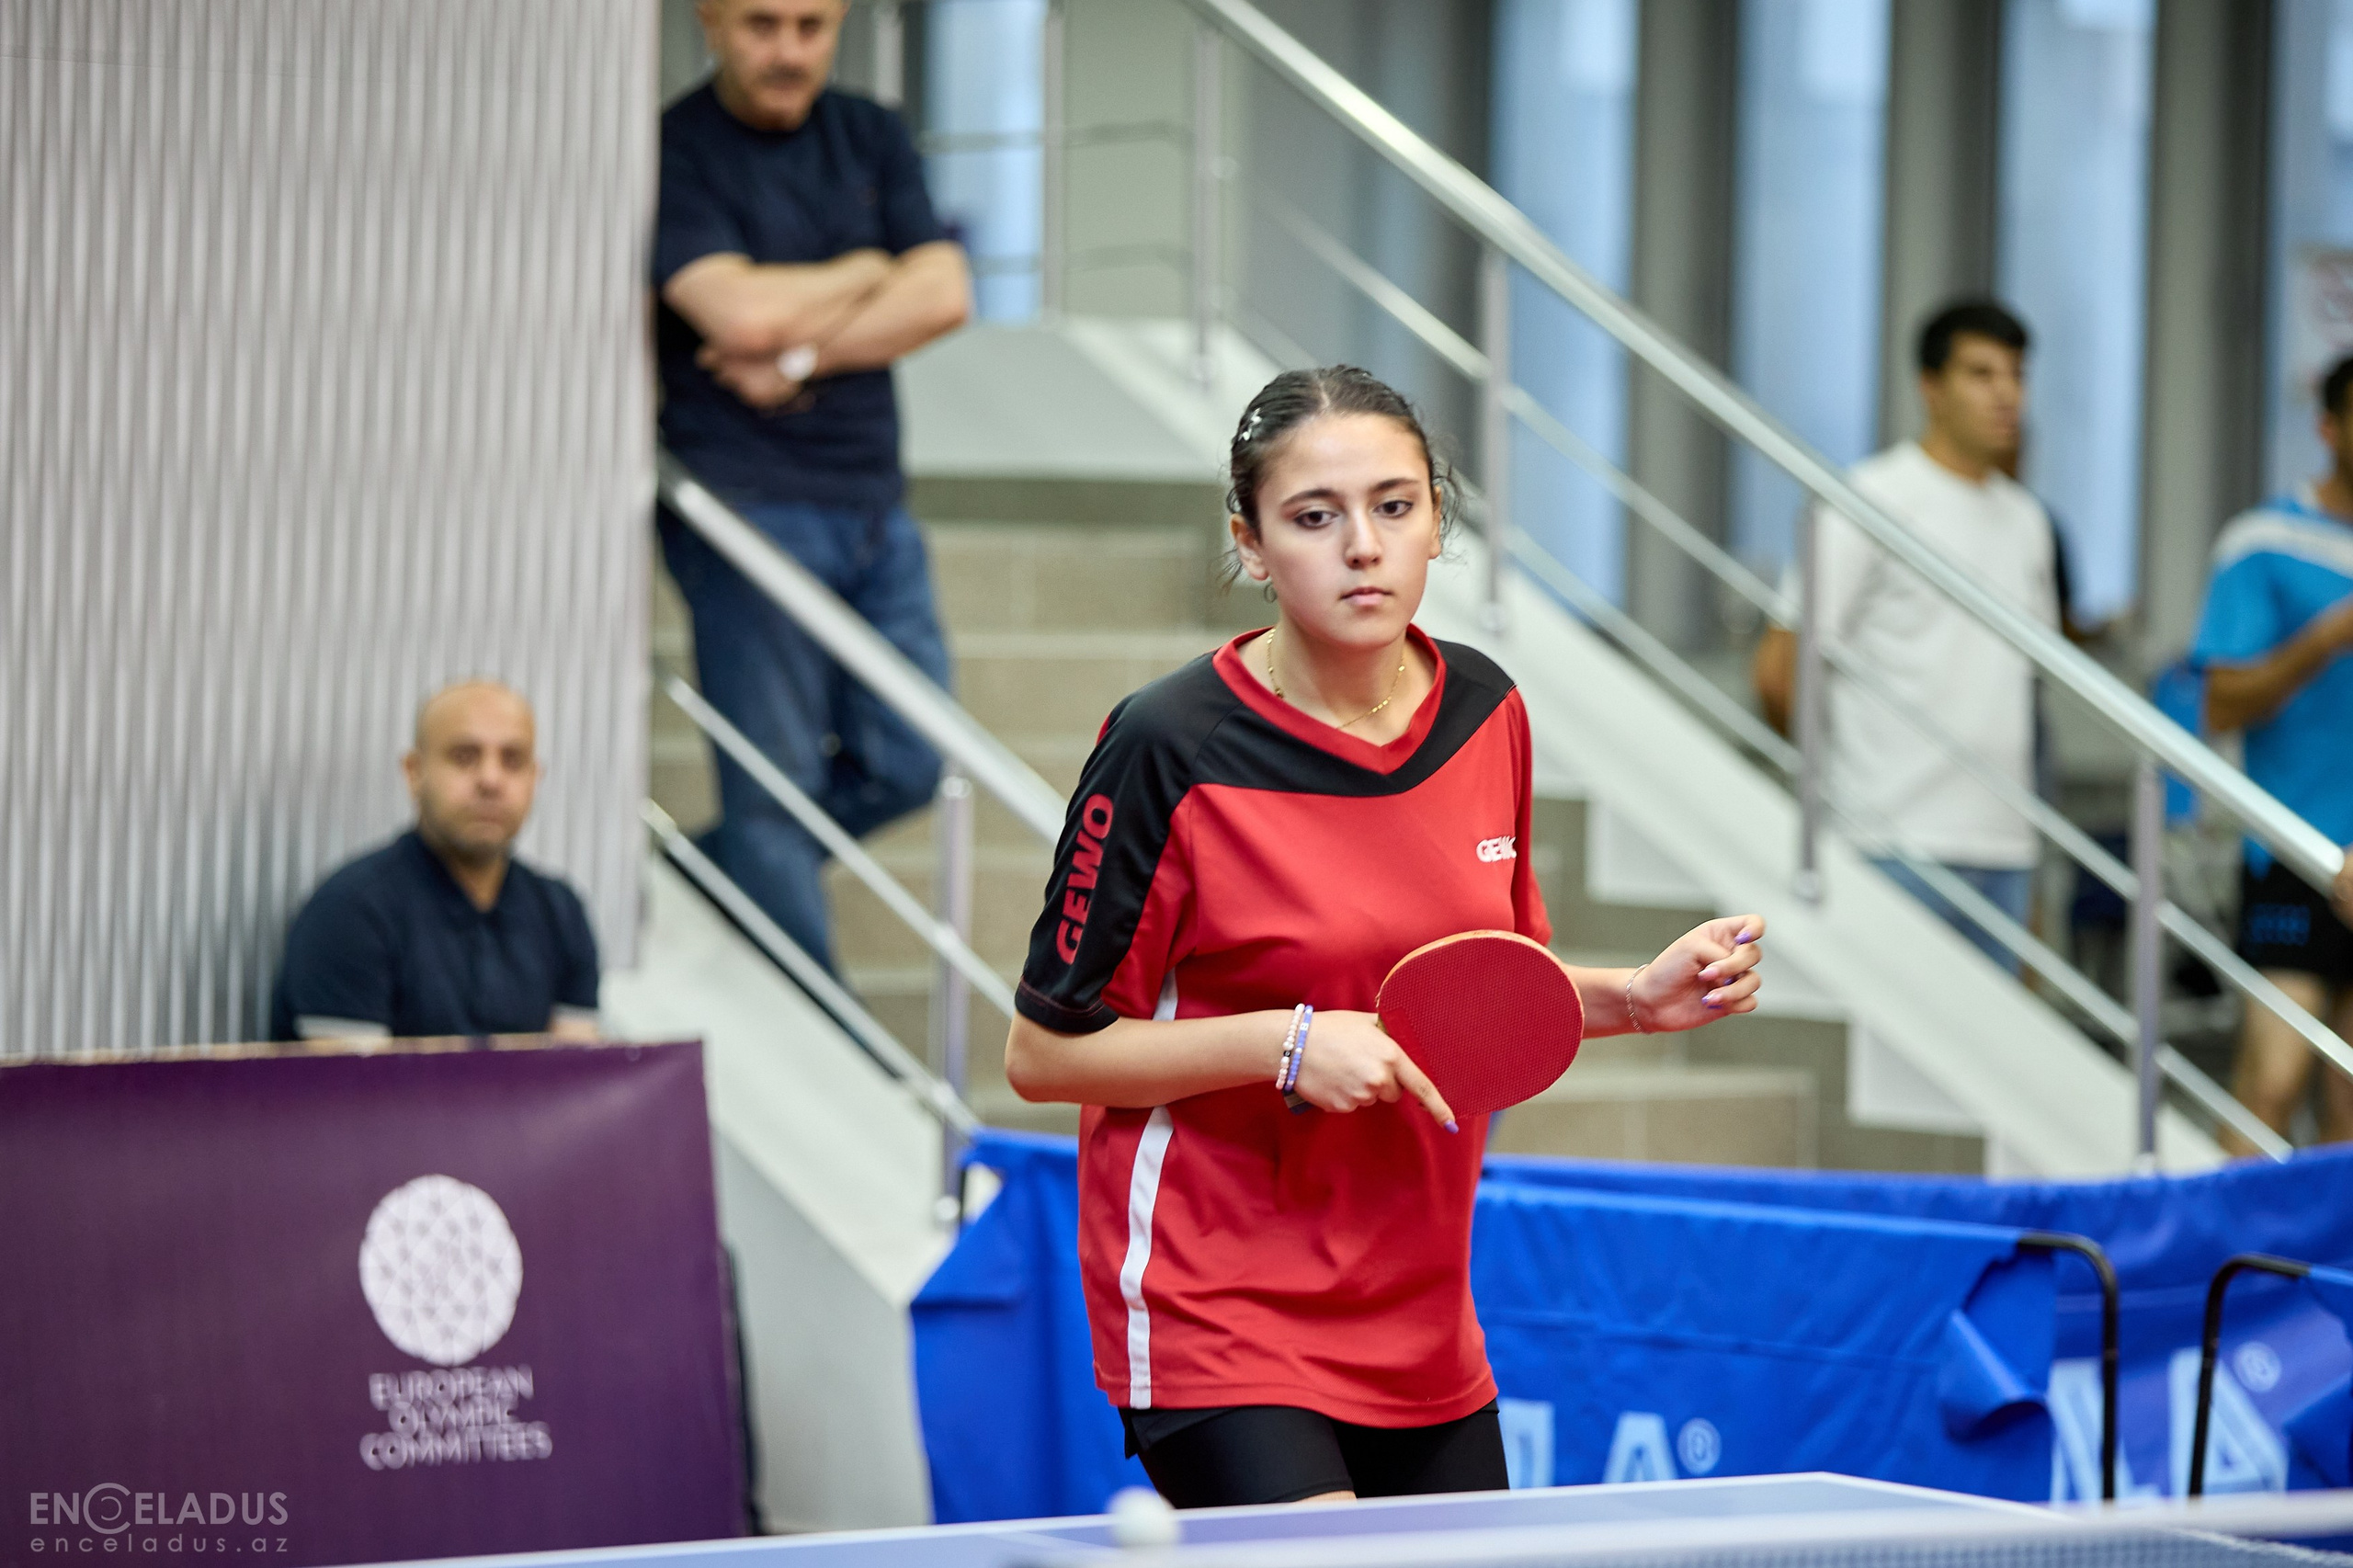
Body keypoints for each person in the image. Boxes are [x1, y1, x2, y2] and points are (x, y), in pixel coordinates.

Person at [1001, 368, 1768, 1509]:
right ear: (1251, 544)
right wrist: (1286, 1044)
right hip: (1220, 1298)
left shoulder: (1485, 711)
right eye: (1315, 516)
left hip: (1420, 1314)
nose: (1363, 545)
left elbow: (1470, 997)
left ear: (1436, 522)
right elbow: (1045, 1053)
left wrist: (1632, 998)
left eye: (1394, 505)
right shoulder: (1166, 746)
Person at [654, 0, 972, 971]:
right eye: (761, 24)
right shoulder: (675, 147)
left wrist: (795, 355)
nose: (788, 50)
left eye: (811, 24)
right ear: (710, 19)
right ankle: (822, 1020)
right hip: (744, 506)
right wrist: (872, 270)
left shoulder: (869, 133)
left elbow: (946, 294)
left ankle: (702, 870)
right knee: (777, 786)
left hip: (873, 502)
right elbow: (732, 313)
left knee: (912, 759)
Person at [1753, 300, 2059, 970]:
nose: (2006, 393)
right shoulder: (1873, 496)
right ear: (1931, 387)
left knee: (1985, 1061)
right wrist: (1841, 790)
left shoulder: (2027, 519)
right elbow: (1780, 672)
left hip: (2003, 845)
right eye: (1981, 374)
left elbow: (2020, 688)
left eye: (2016, 375)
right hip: (1890, 839)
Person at [2192, 354, 2353, 1144]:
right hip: (2295, 853)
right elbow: (2221, 700)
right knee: (2276, 1080)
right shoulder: (2265, 542)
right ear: (2329, 427)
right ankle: (2230, 1269)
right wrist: (2328, 635)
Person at [271, 682, 600, 1042]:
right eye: (464, 757)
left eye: (513, 760)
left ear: (535, 778)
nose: (491, 780)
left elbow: (576, 1081)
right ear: (414, 772)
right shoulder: (350, 912)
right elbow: (353, 1091)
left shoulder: (561, 912)